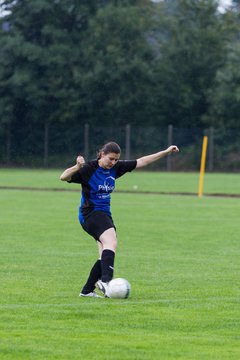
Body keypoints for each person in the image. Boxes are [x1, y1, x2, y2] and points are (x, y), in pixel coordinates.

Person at [60, 141, 179, 298]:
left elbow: (142, 161)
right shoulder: (89, 168)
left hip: (104, 214)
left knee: (104, 254)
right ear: (102, 154)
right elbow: (63, 177)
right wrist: (77, 167)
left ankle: (87, 291)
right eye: (110, 159)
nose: (113, 163)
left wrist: (165, 152)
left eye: (116, 159)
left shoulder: (116, 168)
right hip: (90, 213)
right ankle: (106, 282)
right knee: (111, 243)